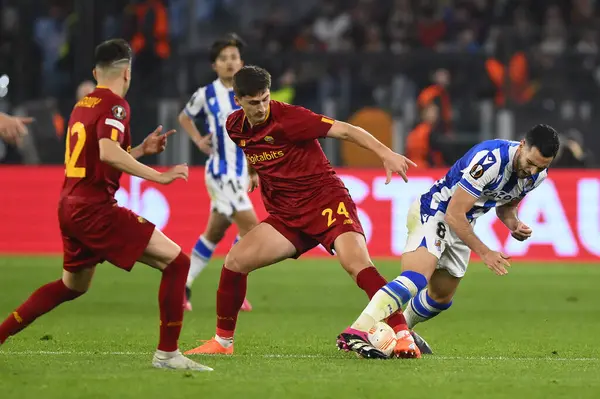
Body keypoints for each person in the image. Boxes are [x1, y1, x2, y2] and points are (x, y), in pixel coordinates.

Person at [0, 39, 211, 372]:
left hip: (70, 205)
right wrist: (157, 176)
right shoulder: (115, 106)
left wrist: (140, 150)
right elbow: (108, 153)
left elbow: (100, 157)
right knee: (177, 262)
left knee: (73, 285)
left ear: (96, 72)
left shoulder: (83, 104)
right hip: (94, 208)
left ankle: (1, 334)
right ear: (127, 72)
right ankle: (168, 354)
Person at [184, 65, 419, 358]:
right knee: (234, 261)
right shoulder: (235, 126)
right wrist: (253, 172)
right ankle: (222, 343)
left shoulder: (291, 118)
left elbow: (346, 130)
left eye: (265, 99)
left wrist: (386, 153)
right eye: (253, 102)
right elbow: (251, 147)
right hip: (287, 216)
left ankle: (403, 335)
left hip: (326, 202)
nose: (261, 108)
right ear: (238, 100)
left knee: (357, 264)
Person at [339, 125, 560, 359]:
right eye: (531, 162)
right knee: (416, 278)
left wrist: (514, 225)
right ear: (523, 145)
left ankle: (402, 330)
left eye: (541, 166)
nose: (533, 170)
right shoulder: (490, 160)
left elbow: (506, 207)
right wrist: (485, 252)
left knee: (440, 298)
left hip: (463, 223)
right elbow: (454, 213)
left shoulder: (537, 176)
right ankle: (358, 330)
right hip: (436, 211)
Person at [178, 34, 257, 312]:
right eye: (223, 59)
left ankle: (182, 286)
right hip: (221, 172)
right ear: (215, 65)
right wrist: (199, 140)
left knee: (214, 232)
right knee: (253, 229)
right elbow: (185, 116)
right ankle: (232, 287)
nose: (229, 63)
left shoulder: (249, 94)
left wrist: (254, 169)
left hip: (240, 172)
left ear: (242, 62)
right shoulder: (206, 94)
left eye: (234, 57)